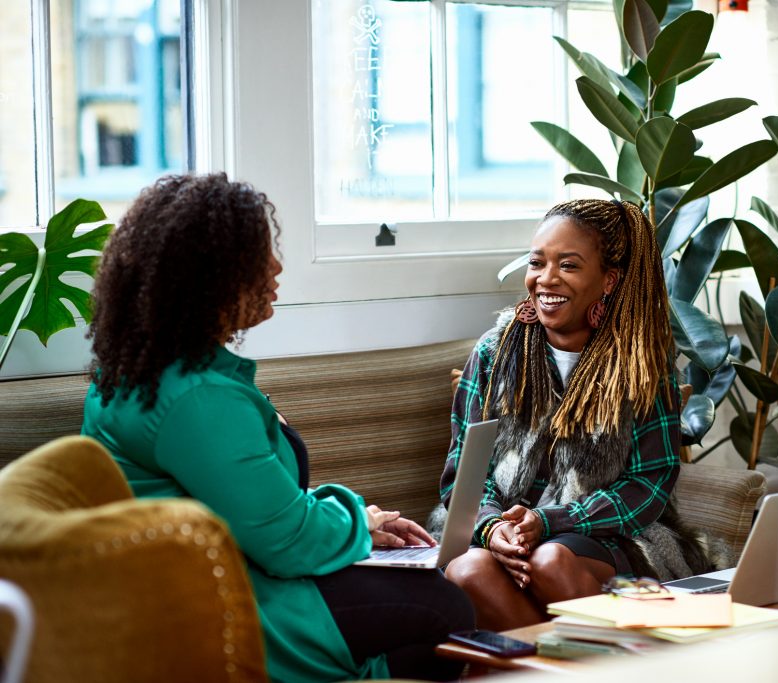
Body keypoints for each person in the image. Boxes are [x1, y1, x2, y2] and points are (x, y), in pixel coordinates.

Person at [80, 173, 474, 682]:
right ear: (208, 277)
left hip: (219, 571)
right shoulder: (198, 397)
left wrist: (362, 519)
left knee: (436, 591)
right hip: (227, 598)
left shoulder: (147, 368)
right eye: (257, 257)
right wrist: (360, 524)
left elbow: (251, 504)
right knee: (445, 610)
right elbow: (283, 542)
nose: (276, 267)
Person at [436, 199, 729, 631]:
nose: (545, 279)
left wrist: (549, 521)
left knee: (550, 559)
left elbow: (649, 486)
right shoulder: (493, 354)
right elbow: (465, 469)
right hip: (507, 533)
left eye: (568, 266)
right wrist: (493, 527)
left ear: (609, 280)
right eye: (538, 262)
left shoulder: (640, 365)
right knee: (467, 571)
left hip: (610, 536)